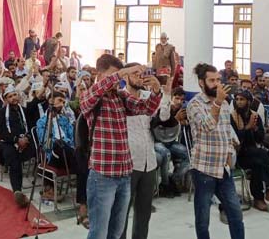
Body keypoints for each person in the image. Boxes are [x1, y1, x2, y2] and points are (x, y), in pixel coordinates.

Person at [80, 56, 160, 239]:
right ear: (99, 75)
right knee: (98, 232)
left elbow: (146, 108)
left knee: (116, 232)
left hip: (124, 174)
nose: (117, 80)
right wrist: (122, 73)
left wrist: (156, 90)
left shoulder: (121, 97)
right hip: (102, 176)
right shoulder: (90, 97)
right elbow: (95, 92)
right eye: (112, 75)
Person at [186, 63, 244, 239]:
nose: (217, 84)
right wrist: (218, 102)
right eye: (212, 80)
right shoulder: (195, 104)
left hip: (223, 168)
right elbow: (208, 126)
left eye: (219, 79)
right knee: (203, 218)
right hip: (203, 168)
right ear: (201, 83)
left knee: (235, 213)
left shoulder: (225, 103)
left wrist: (230, 150)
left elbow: (227, 131)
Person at [119, 64, 167, 239]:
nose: (140, 77)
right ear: (125, 77)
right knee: (122, 212)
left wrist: (161, 90)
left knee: (144, 211)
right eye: (135, 74)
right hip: (129, 160)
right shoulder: (120, 97)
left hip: (149, 160)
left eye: (141, 73)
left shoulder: (149, 96)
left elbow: (163, 117)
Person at [232, 90, 269, 211]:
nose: (239, 102)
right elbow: (234, 139)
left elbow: (261, 139)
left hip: (252, 152)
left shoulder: (255, 116)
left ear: (248, 102)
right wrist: (247, 128)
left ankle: (259, 198)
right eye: (237, 99)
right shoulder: (232, 117)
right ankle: (268, 190)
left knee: (258, 163)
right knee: (262, 155)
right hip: (237, 154)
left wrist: (254, 129)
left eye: (242, 99)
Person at [0, 85, 34, 208]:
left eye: (14, 95)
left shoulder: (24, 110)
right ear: (6, 99)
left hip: (26, 140)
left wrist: (26, 138)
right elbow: (1, 132)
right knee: (13, 158)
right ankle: (17, 191)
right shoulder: (1, 113)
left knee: (39, 150)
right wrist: (17, 140)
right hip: (8, 142)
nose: (13, 98)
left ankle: (48, 188)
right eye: (10, 96)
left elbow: (31, 127)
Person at [35, 91, 77, 201]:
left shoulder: (65, 120)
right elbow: (45, 145)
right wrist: (50, 120)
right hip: (52, 155)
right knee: (58, 144)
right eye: (59, 101)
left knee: (69, 146)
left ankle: (49, 190)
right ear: (51, 102)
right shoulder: (41, 122)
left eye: (63, 102)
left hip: (68, 154)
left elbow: (73, 139)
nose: (62, 104)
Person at [152, 86, 190, 197]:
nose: (179, 102)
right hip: (157, 141)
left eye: (182, 100)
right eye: (177, 98)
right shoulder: (163, 110)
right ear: (171, 98)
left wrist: (185, 122)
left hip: (171, 142)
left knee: (188, 155)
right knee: (166, 154)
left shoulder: (182, 111)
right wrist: (176, 120)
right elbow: (160, 131)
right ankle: (165, 184)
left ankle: (174, 179)